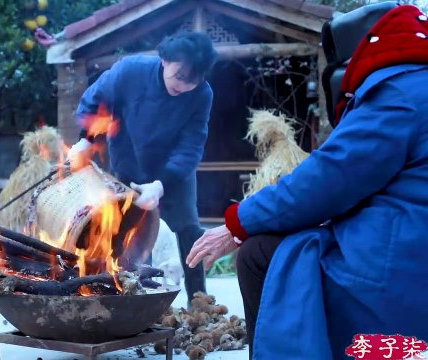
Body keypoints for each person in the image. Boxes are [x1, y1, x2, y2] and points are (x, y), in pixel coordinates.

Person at [186, 3, 428, 359]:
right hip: (413, 238)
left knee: (258, 253)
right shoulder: (416, 83)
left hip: (404, 261)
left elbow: (329, 180)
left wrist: (237, 224)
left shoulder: (398, 93)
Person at [68, 31, 218, 303]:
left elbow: (192, 144)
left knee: (188, 229)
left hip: (173, 174)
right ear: (163, 59)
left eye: (192, 81)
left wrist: (161, 185)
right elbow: (95, 100)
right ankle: (136, 298)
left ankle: (199, 299)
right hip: (130, 165)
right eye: (179, 77)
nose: (183, 87)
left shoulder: (202, 95)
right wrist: (84, 140)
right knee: (129, 232)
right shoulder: (130, 71)